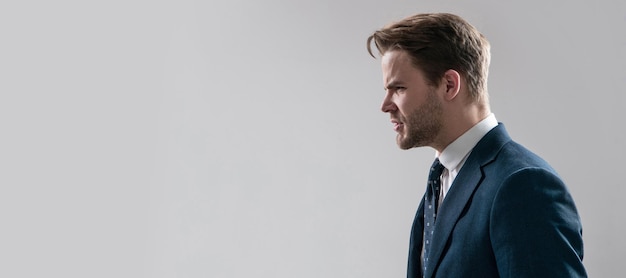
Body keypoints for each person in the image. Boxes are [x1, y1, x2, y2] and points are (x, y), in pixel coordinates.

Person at [366, 13, 586, 277]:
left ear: (449, 85)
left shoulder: (523, 185)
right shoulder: (441, 180)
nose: (385, 105)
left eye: (398, 88)